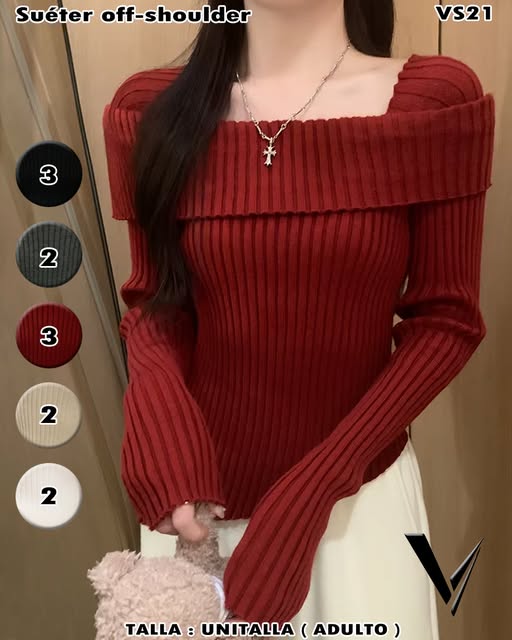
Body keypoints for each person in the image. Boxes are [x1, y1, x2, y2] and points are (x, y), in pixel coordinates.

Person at [102, 0, 495, 637]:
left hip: (357, 506)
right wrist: (158, 415)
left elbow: (446, 319)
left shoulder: (433, 103)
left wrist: (317, 486)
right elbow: (155, 302)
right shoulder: (150, 111)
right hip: (198, 507)